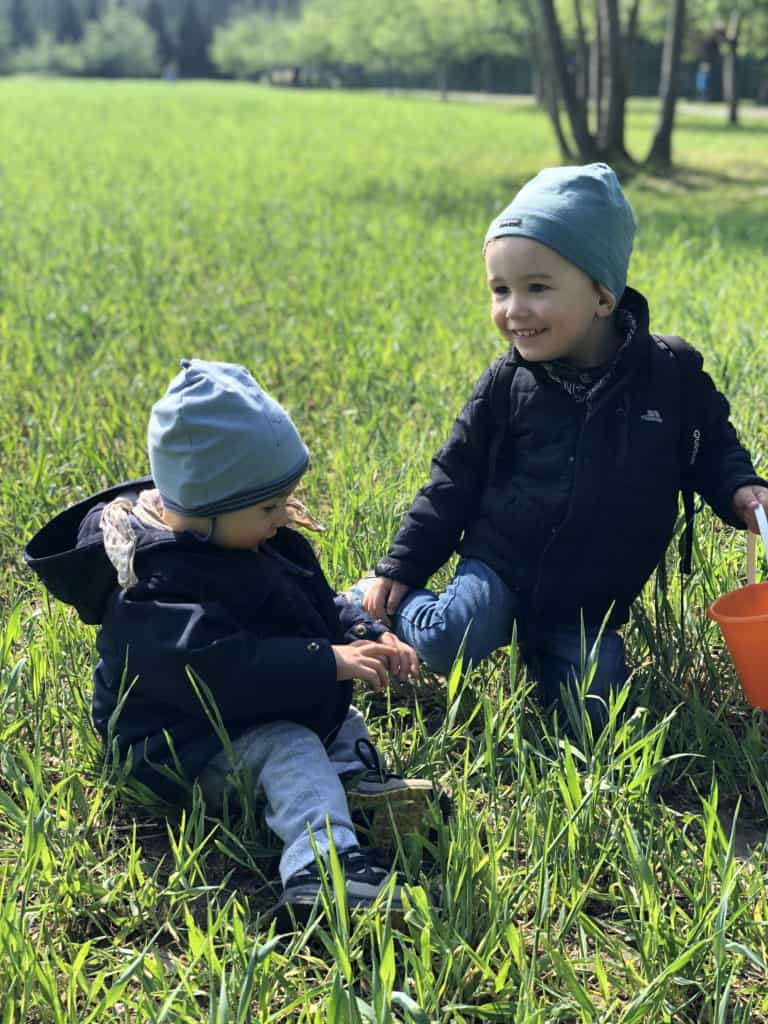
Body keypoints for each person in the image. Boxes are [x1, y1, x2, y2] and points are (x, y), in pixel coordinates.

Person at [358, 163, 768, 730]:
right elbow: (453, 479)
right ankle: (370, 604)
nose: (513, 310)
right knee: (453, 638)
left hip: (589, 599)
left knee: (596, 719)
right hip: (501, 565)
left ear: (602, 296)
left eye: (537, 288)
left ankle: (544, 654)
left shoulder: (670, 374)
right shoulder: (507, 383)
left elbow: (712, 445)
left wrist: (741, 488)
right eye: (500, 290)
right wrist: (402, 565)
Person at [25, 359, 433, 922]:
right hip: (179, 742)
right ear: (204, 507)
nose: (285, 516)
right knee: (291, 746)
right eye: (270, 506)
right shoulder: (158, 581)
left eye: (287, 500)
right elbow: (214, 667)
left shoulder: (255, 539)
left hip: (245, 707)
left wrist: (361, 631)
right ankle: (324, 868)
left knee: (337, 721)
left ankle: (354, 787)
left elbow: (314, 606)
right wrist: (325, 661)